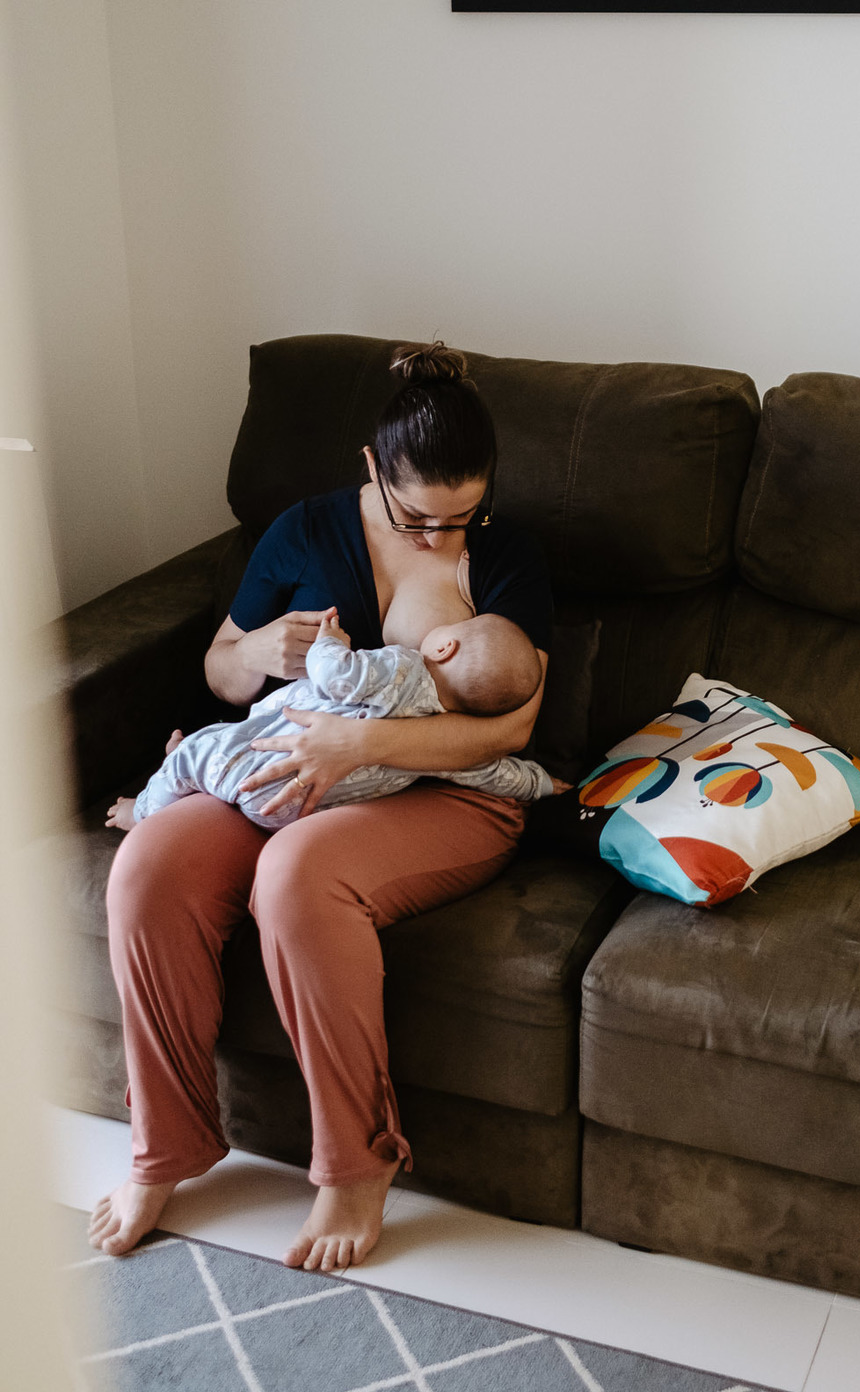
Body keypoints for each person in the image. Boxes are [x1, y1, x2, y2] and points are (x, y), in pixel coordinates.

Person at [90, 343, 553, 1273]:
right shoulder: (302, 531)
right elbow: (220, 670)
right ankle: (167, 1144)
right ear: (374, 470)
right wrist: (261, 647)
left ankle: (354, 1164)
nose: (439, 537)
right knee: (147, 867)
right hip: (290, 770)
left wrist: (365, 743)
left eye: (464, 514)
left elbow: (510, 728)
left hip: (444, 791)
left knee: (296, 877)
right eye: (417, 514)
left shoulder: (507, 556)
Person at [104, 609, 553, 833]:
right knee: (226, 743)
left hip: (257, 767)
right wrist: (543, 784)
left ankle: (140, 810)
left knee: (202, 754)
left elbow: (336, 676)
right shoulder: (448, 748)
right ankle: (189, 771)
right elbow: (497, 773)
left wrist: (329, 642)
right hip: (294, 815)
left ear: (443, 648)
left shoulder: (403, 667)